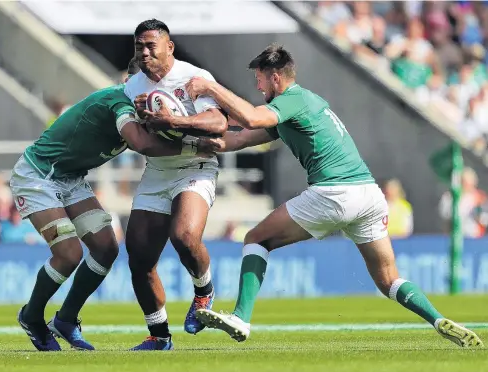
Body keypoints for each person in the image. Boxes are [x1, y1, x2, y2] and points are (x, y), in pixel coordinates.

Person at [186, 44, 484, 349]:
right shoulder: (304, 104)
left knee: (256, 239)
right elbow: (237, 139)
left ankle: (240, 317)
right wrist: (184, 135)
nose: (257, 85)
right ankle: (438, 320)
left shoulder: (292, 98)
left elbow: (249, 118)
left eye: (260, 78)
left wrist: (211, 86)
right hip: (368, 195)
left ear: (276, 77)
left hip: (335, 192)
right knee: (389, 279)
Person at [10, 79, 203, 351]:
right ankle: (31, 316)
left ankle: (65, 320)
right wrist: (194, 146)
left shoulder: (148, 109)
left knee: (106, 248)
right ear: (130, 82)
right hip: (38, 175)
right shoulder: (119, 102)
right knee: (69, 254)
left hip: (71, 178)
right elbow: (140, 143)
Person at [123, 19, 228, 351]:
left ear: (169, 46)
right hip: (157, 171)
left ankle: (203, 292)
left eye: (151, 45)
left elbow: (218, 123)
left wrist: (175, 121)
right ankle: (159, 335)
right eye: (139, 45)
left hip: (195, 166)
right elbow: (135, 138)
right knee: (138, 256)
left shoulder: (193, 77)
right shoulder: (130, 86)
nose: (144, 51)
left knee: (184, 236)